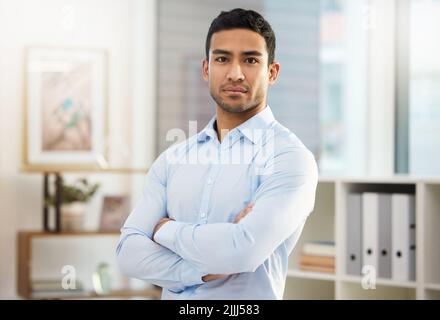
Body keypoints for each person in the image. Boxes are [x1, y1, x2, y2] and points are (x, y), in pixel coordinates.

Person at [116, 8, 318, 300]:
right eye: (222, 59)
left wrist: (164, 231)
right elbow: (127, 254)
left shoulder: (289, 158)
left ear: (271, 72)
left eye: (250, 60)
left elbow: (242, 251)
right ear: (206, 69)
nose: (235, 73)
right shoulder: (174, 159)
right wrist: (202, 270)